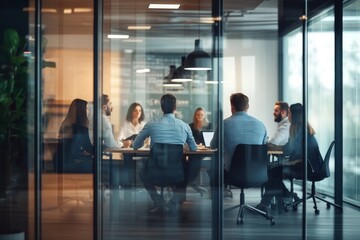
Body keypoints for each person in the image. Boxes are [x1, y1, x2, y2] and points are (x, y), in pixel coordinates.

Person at [133, 94, 197, 213]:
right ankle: (173, 201)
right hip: (176, 174)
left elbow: (135, 145)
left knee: (142, 171)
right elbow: (194, 148)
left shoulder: (151, 124)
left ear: (161, 107)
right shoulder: (184, 126)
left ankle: (157, 200)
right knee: (187, 169)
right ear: (175, 107)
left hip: (154, 173)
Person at [257, 103, 324, 212]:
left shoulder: (298, 130)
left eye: (289, 113)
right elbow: (289, 150)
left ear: (294, 115)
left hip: (306, 167)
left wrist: (271, 146)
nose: (288, 116)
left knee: (272, 171)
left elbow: (287, 150)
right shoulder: (303, 129)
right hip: (312, 166)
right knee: (273, 170)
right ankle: (285, 196)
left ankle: (267, 203)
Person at [210, 93, 268, 196]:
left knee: (213, 169)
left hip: (232, 174)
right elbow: (264, 148)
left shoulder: (225, 124)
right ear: (248, 106)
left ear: (232, 107)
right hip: (258, 173)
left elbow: (213, 146)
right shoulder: (260, 125)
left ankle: (218, 203)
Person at [57, 98, 93, 172]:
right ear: (81, 111)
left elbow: (70, 146)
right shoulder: (81, 128)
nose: (88, 111)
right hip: (75, 165)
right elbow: (89, 148)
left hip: (63, 163)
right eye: (86, 109)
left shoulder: (65, 123)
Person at [187, 107, 212, 195]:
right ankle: (192, 182)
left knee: (194, 159)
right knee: (193, 158)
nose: (199, 116)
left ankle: (191, 181)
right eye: (198, 115)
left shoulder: (209, 125)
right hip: (195, 150)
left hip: (207, 151)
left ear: (204, 115)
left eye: (201, 115)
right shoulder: (191, 126)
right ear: (195, 115)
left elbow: (211, 139)